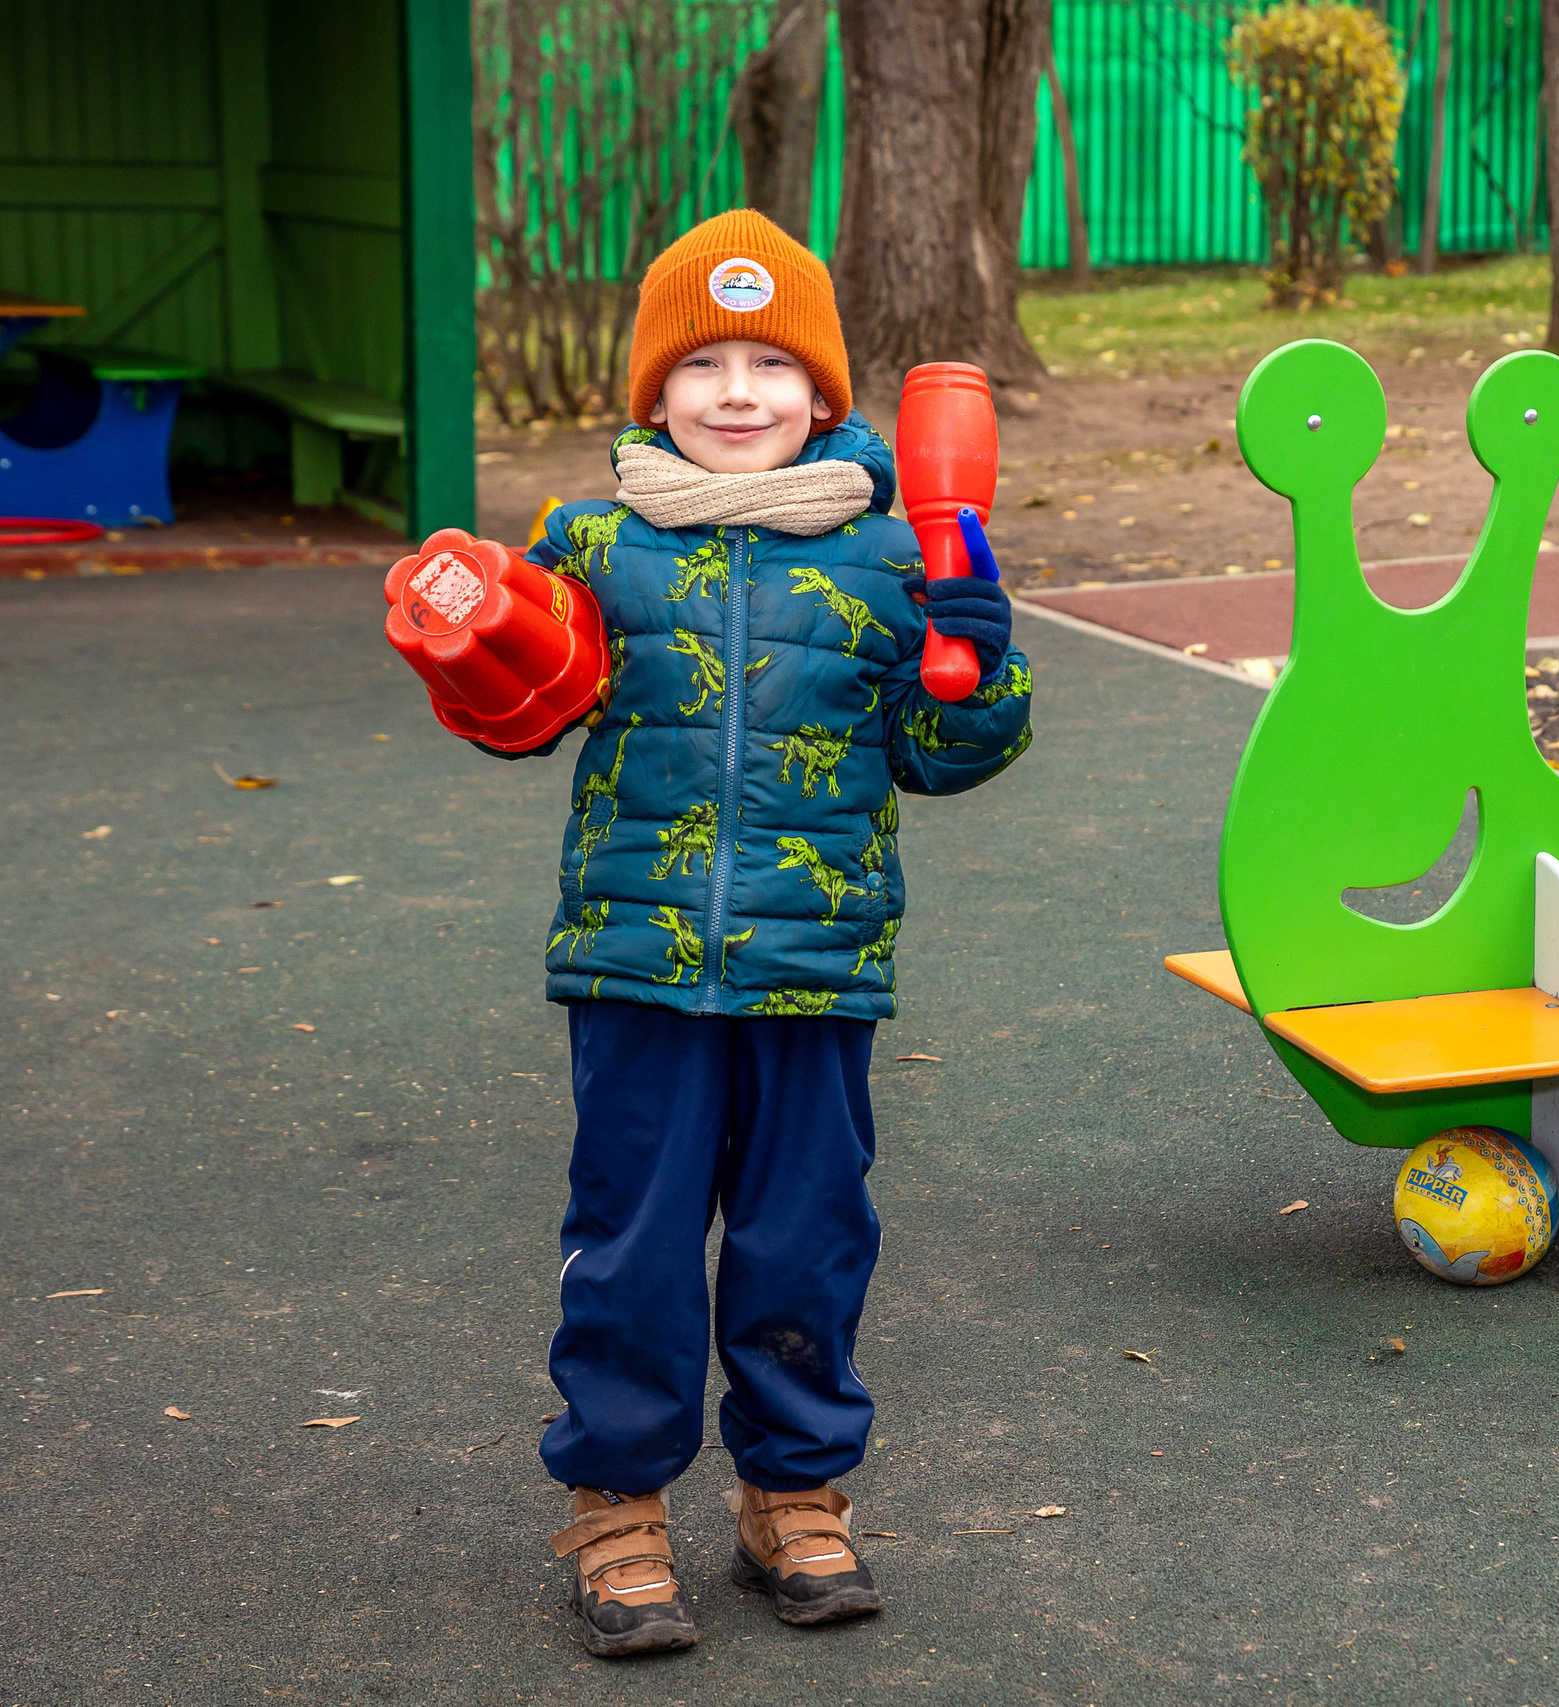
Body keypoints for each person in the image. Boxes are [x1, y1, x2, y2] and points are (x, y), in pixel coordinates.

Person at [500, 209, 1031, 1657]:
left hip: (817, 967)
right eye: (703, 364)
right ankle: (617, 1505)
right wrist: (474, 641)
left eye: (770, 365)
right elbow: (518, 710)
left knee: (806, 1239)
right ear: (652, 393)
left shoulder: (885, 549)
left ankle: (795, 1497)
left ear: (825, 399)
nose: (737, 392)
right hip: (637, 964)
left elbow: (948, 751)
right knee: (635, 1244)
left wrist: (977, 650)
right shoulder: (593, 539)